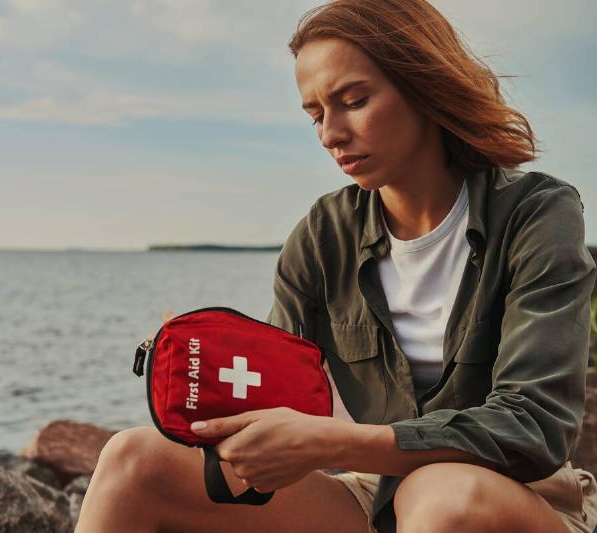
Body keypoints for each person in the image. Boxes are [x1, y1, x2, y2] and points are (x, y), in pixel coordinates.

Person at [74, 1, 597, 531]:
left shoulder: (536, 212)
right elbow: (278, 400)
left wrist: (338, 441)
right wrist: (201, 374)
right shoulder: (324, 234)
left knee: (439, 497)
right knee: (131, 460)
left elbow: (533, 426)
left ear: (423, 86)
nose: (331, 134)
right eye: (317, 115)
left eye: (353, 101)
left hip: (520, 496)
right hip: (373, 493)